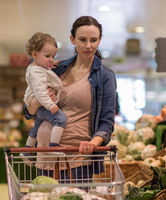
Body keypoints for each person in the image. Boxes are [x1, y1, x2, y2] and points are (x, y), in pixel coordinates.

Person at [24, 16, 117, 180]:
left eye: (93, 40)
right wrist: (39, 101)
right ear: (72, 39)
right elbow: (29, 110)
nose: (88, 45)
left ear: (100, 40)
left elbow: (107, 121)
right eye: (82, 39)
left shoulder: (105, 76)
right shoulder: (57, 68)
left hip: (78, 157)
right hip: (46, 154)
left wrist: (93, 143)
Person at [21, 32, 67, 163]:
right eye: (47, 56)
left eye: (53, 56)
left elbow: (45, 77)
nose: (51, 59)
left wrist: (49, 68)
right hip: (43, 104)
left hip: (39, 105)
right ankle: (54, 147)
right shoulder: (36, 72)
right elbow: (41, 91)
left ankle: (27, 151)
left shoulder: (38, 68)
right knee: (61, 119)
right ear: (34, 54)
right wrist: (50, 105)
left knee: (37, 126)